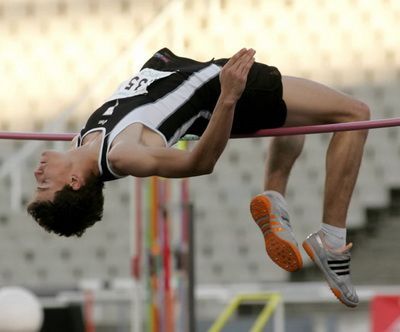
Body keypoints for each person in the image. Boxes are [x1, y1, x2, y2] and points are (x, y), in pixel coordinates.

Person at [28, 47, 370, 307]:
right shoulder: (123, 153)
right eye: (44, 183)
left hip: (208, 85)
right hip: (219, 89)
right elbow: (199, 163)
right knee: (355, 114)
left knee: (294, 118)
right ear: (74, 182)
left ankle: (274, 199)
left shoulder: (82, 142)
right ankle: (332, 242)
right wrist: (229, 96)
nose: (37, 172)